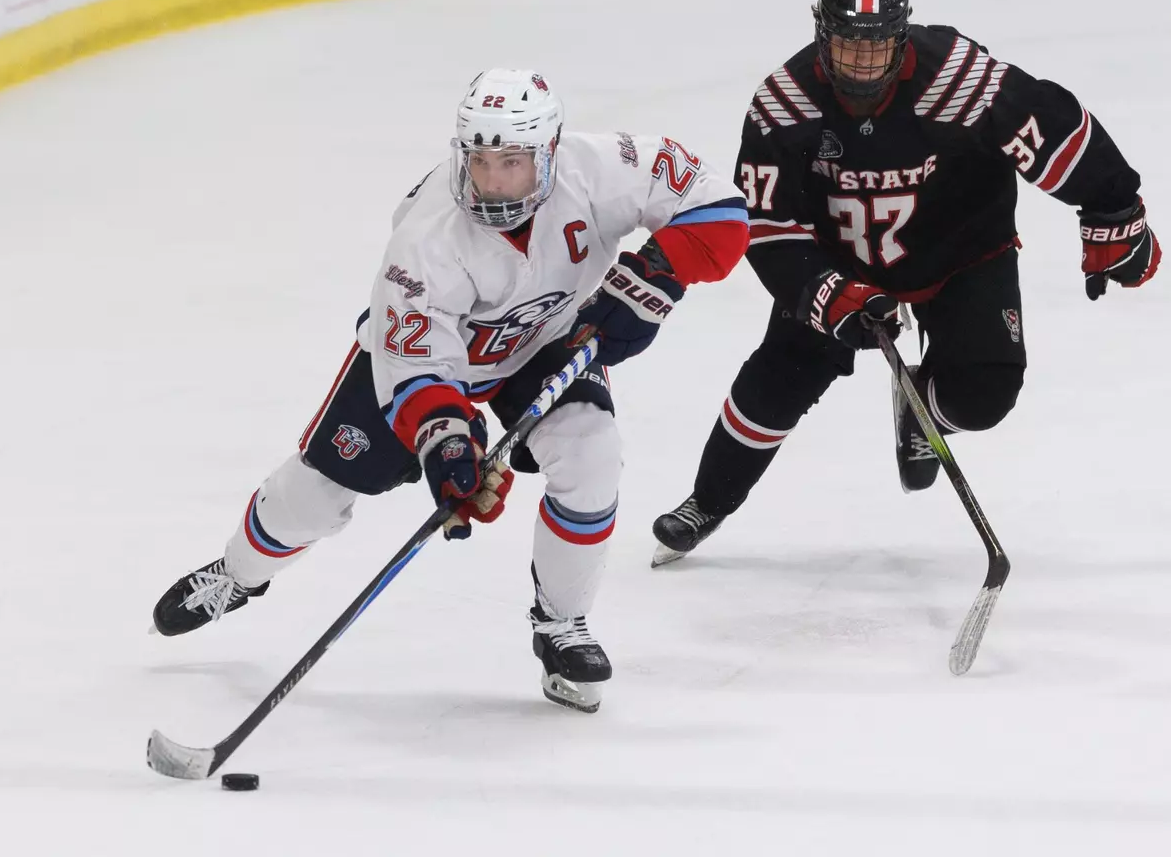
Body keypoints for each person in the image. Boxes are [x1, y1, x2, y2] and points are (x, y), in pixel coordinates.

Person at [152, 69, 749, 712]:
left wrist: (656, 277)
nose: (492, 180)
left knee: (591, 452)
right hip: (423, 365)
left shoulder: (605, 167)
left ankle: (561, 626)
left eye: (512, 162)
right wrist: (448, 448)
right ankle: (237, 575)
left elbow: (718, 207)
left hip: (543, 340)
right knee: (314, 496)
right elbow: (416, 369)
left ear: (548, 152)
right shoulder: (425, 237)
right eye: (481, 161)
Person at [651, 0, 1161, 564]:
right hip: (841, 269)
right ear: (822, 32)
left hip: (962, 254)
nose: (862, 63)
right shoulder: (784, 107)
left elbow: (1053, 124)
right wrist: (827, 294)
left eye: (877, 44)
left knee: (986, 397)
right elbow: (767, 224)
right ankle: (708, 501)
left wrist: (1113, 210)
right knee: (776, 381)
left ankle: (923, 414)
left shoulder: (957, 78)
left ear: (901, 34)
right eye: (846, 43)